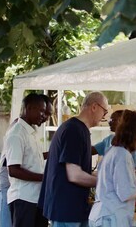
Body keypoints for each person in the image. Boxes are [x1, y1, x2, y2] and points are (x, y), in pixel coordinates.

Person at [39, 91, 109, 227]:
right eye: (104, 111)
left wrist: (98, 175)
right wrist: (106, 181)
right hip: (66, 208)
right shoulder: (73, 130)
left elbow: (79, 169)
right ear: (94, 107)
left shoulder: (79, 129)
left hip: (74, 207)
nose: (104, 116)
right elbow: (74, 175)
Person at [0, 95, 53, 227]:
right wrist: (45, 178)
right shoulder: (17, 133)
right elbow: (13, 170)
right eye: (42, 111)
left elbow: (32, 158)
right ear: (29, 108)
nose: (44, 116)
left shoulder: (30, 131)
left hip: (35, 196)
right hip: (23, 197)